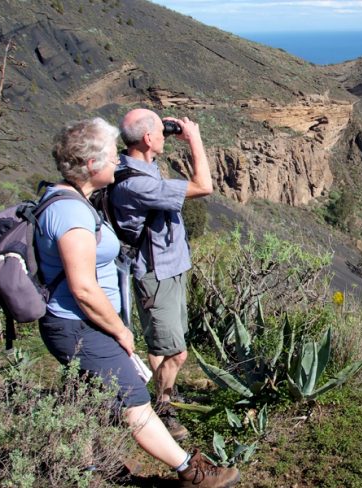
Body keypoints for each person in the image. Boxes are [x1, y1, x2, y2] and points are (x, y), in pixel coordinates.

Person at [37, 117, 238, 487]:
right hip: (82, 322)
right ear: (93, 164)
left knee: (98, 397)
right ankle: (192, 473)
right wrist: (120, 331)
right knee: (134, 404)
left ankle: (93, 465)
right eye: (113, 156)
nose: (118, 161)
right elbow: (82, 288)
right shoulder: (72, 212)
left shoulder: (75, 199)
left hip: (87, 321)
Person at [111, 108, 213, 440]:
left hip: (171, 267)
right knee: (176, 352)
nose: (165, 134)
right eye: (160, 130)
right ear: (147, 138)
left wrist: (164, 136)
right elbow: (204, 186)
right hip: (156, 274)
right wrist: (194, 140)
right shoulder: (137, 183)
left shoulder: (141, 167)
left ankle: (165, 392)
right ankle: (164, 408)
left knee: (160, 344)